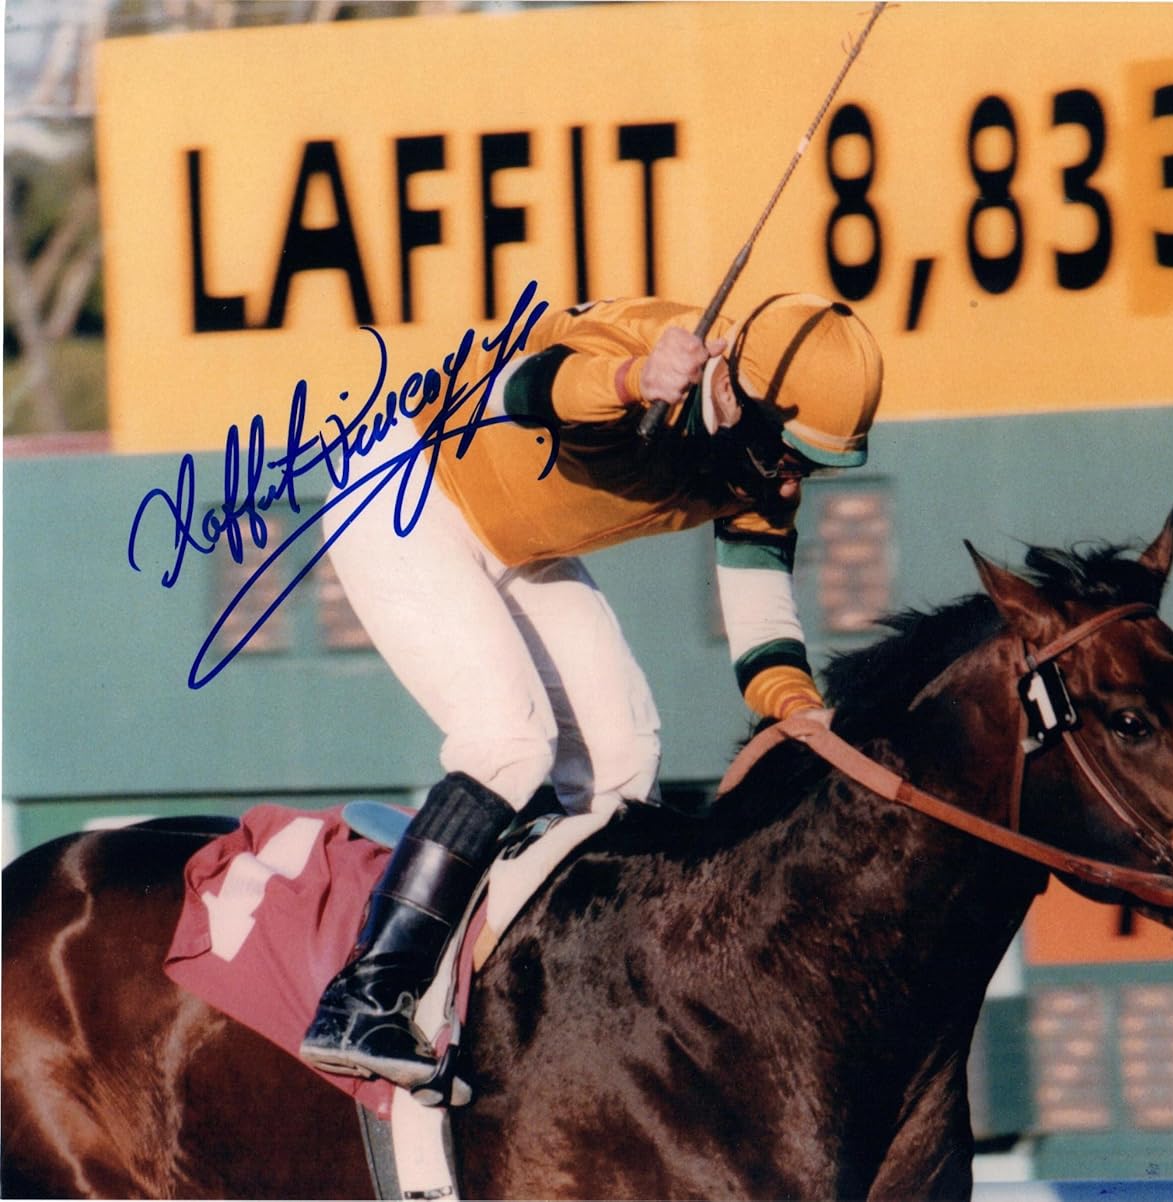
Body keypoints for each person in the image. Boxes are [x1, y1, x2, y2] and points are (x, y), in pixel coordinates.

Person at [299, 292, 884, 1095]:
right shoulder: (657, 336)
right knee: (508, 741)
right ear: (741, 392)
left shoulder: (760, 467)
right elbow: (513, 391)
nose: (794, 479)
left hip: (515, 537)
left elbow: (758, 613)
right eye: (792, 452)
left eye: (816, 465)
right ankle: (365, 997)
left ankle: (517, 993)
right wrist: (634, 376)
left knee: (624, 756)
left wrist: (800, 711)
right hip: (406, 485)